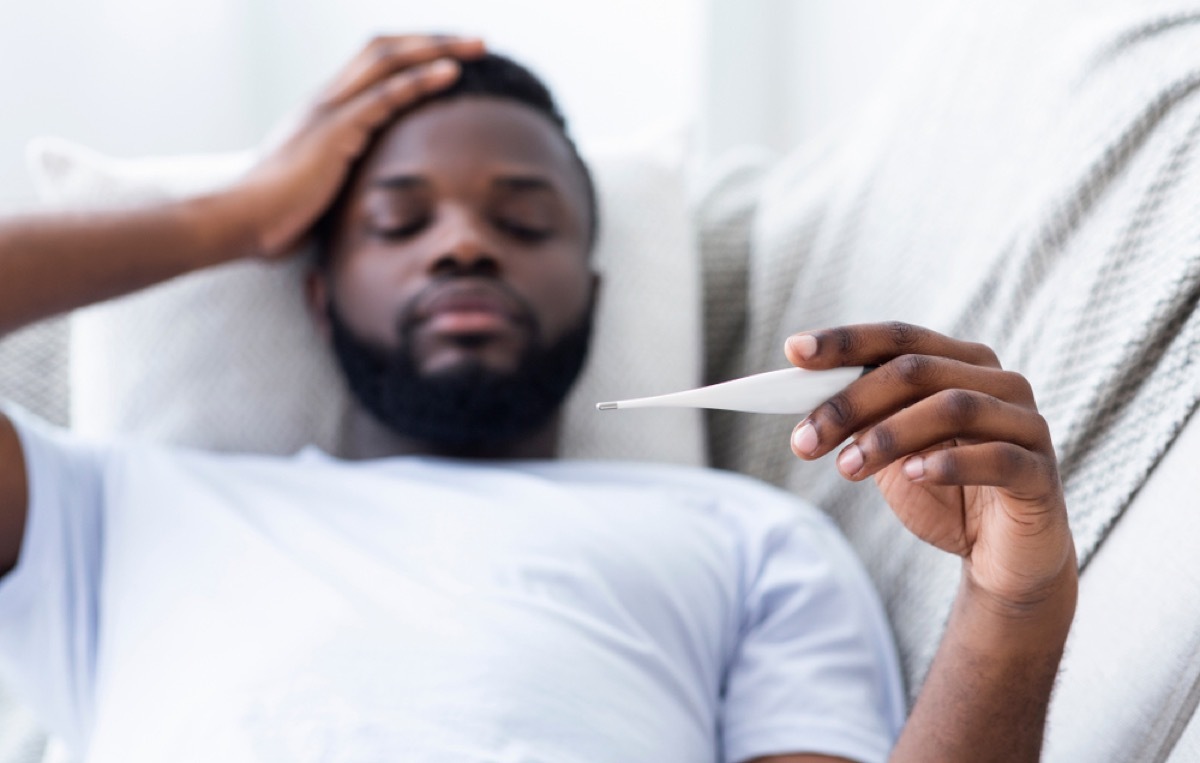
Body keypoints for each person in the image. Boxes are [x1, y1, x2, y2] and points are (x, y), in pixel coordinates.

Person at [0, 36, 1076, 763]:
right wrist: (229, 218)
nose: (463, 242)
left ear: (595, 291)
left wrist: (1016, 611)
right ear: (315, 295)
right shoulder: (105, 511)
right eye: (395, 222)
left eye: (523, 222)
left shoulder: (748, 540)